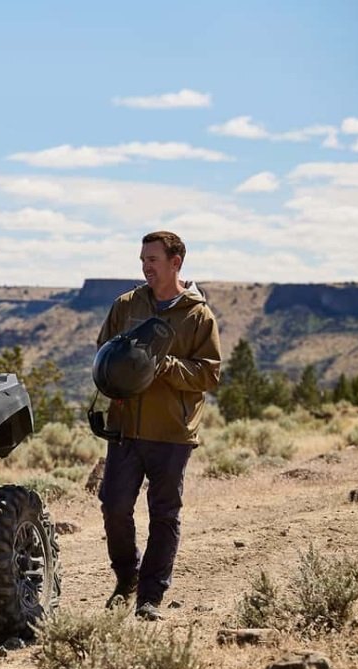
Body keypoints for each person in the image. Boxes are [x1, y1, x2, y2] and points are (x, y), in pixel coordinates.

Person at [95, 231, 221, 621]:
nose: (146, 267)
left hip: (171, 432)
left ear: (175, 262)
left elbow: (209, 375)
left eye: (152, 260)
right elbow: (103, 350)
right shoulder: (127, 305)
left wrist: (165, 366)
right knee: (114, 506)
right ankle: (126, 578)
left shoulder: (198, 316)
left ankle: (150, 596)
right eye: (142, 260)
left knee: (164, 514)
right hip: (126, 427)